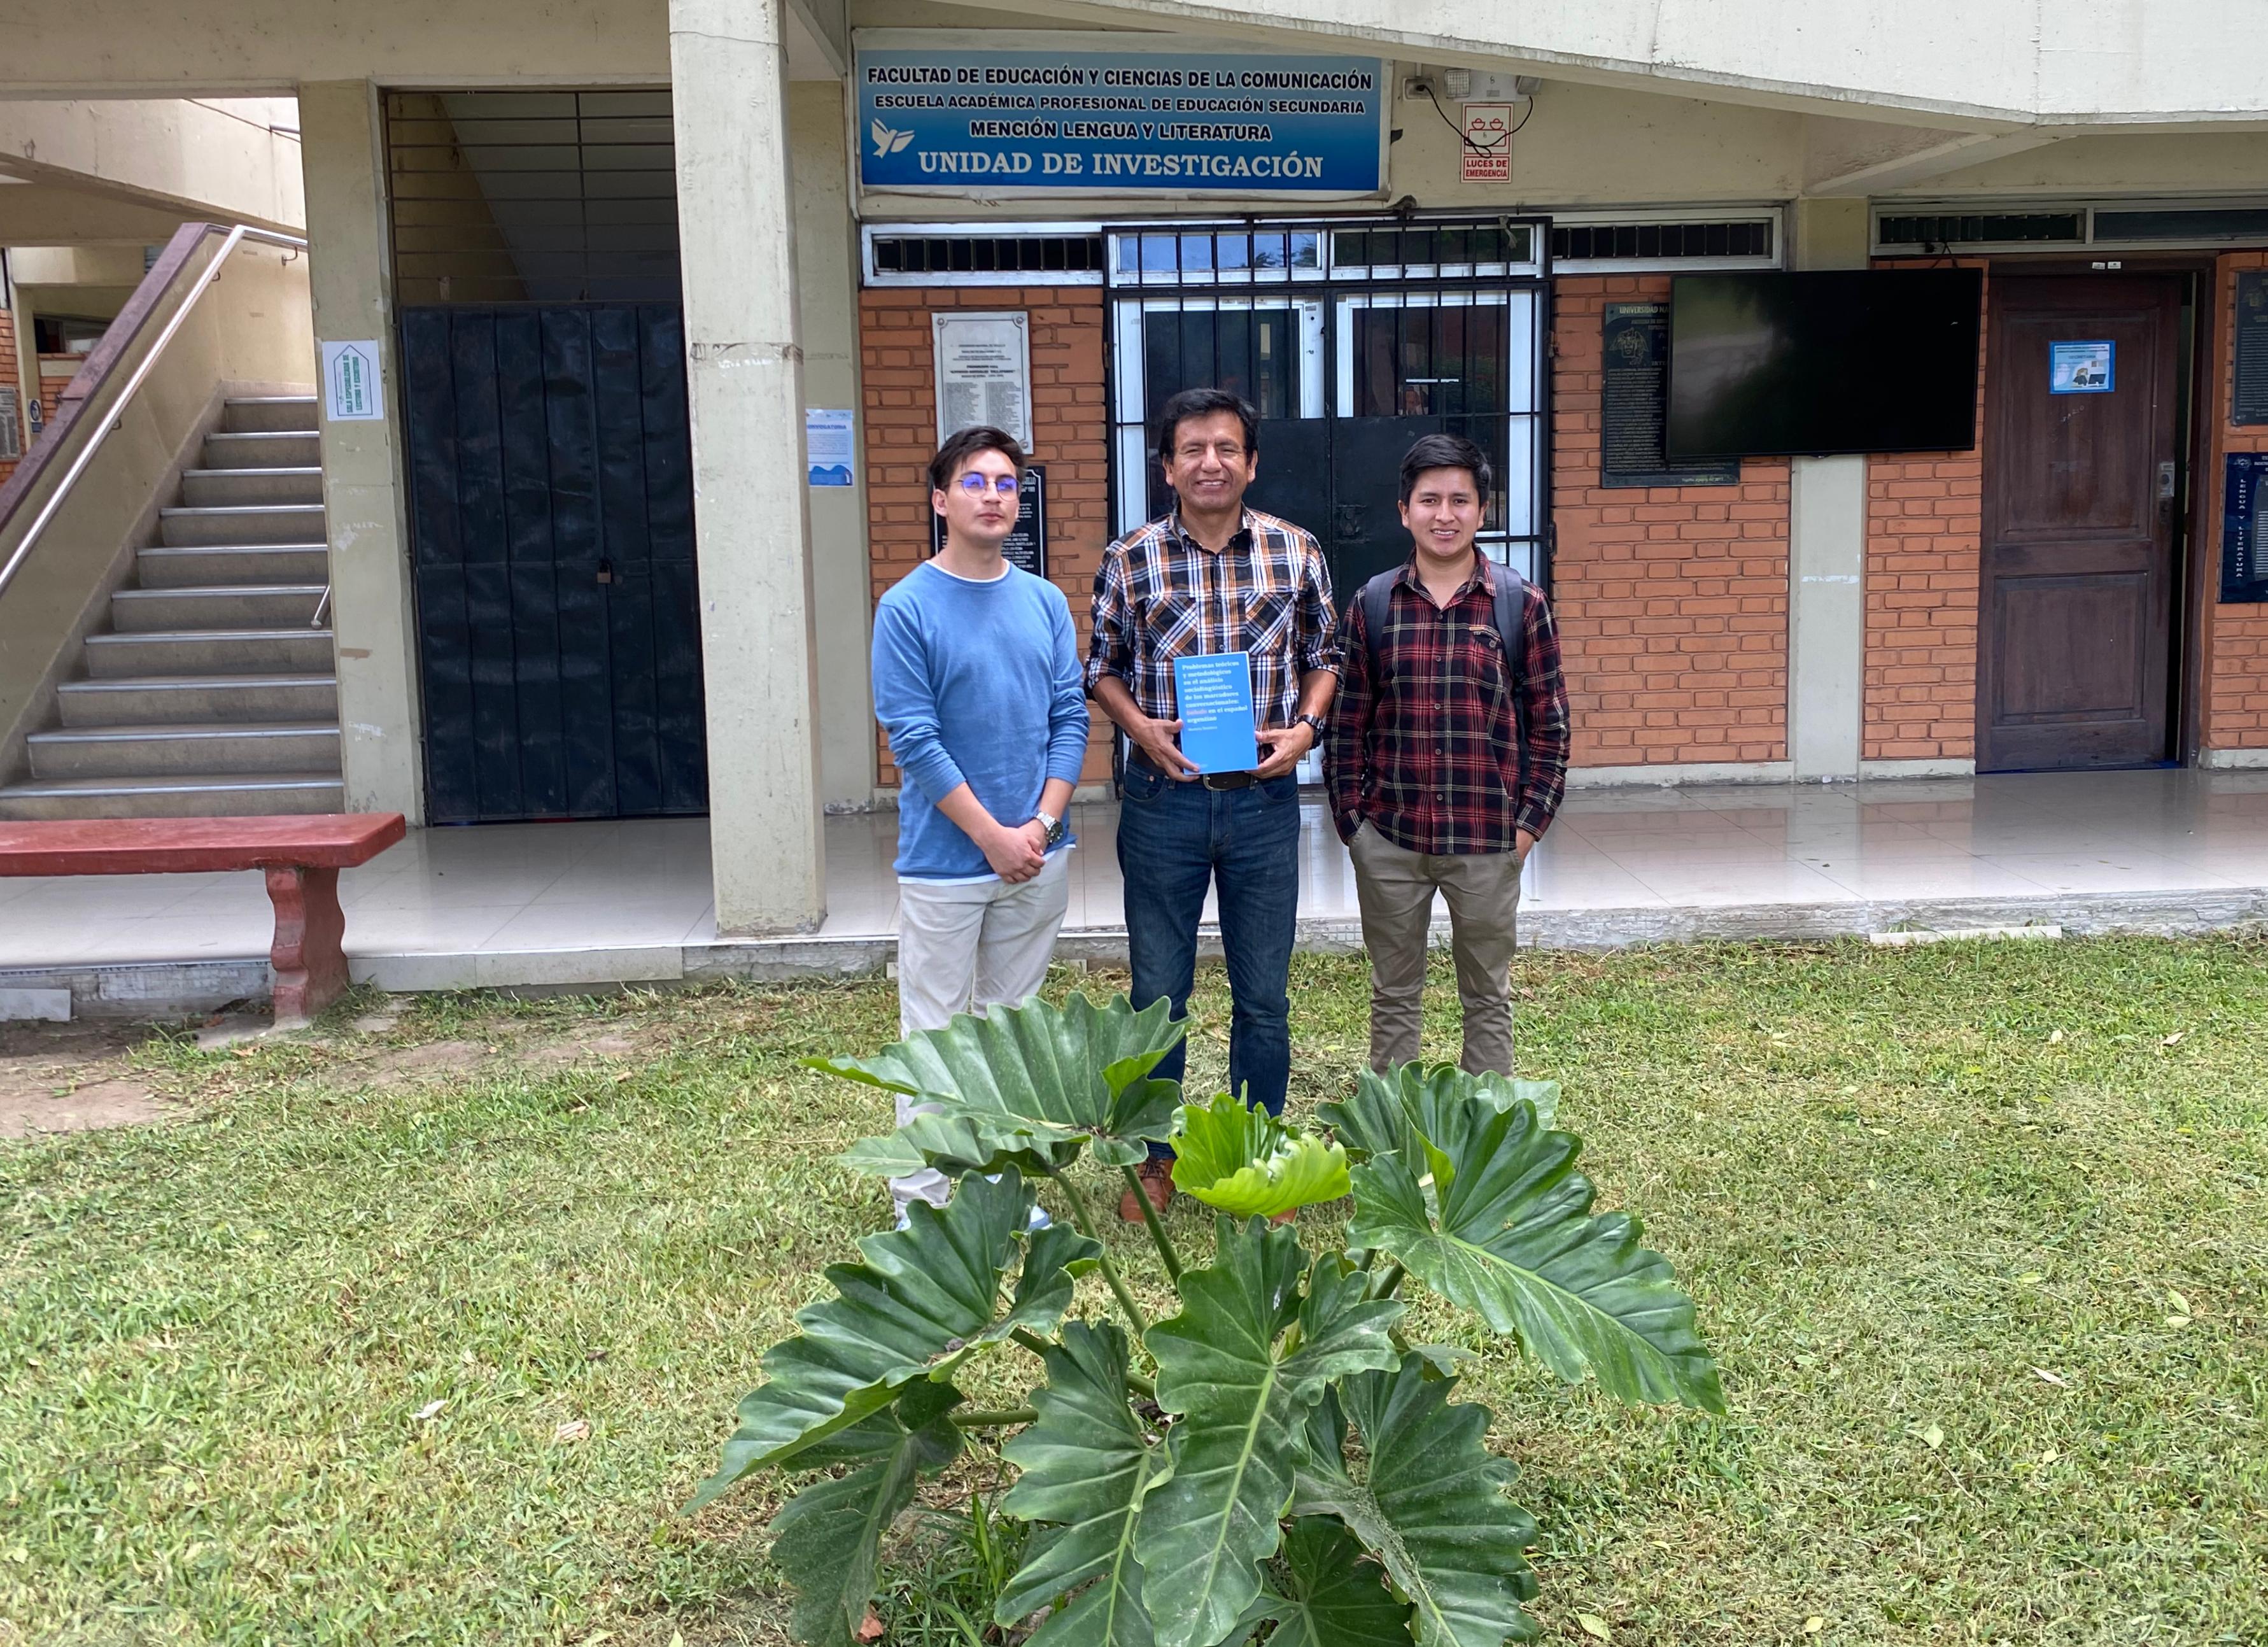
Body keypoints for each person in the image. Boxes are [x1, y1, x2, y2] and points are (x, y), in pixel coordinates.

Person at [1087, 388, 1338, 1221]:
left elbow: (1325, 653)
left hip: (1263, 802)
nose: (1209, 462)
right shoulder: (1129, 559)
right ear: (1166, 465)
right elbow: (1100, 667)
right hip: (1163, 801)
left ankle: (1256, 1157)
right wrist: (1139, 732)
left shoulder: (1295, 551)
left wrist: (1304, 729)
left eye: (1225, 448)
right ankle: (1155, 1162)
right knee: (1158, 995)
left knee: (1262, 996)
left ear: (1251, 462)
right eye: (1191, 448)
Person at [871, 426, 1088, 1222]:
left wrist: (1039, 823)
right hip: (944, 863)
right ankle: (923, 1200)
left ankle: (998, 1192)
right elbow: (913, 739)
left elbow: (1069, 717)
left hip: (1037, 855)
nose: (994, 495)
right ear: (940, 500)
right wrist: (991, 836)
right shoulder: (905, 608)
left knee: (1009, 1037)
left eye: (1006, 482)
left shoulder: (1042, 600)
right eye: (975, 482)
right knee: (934, 1034)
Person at [1324, 432, 1571, 1077]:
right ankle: (1394, 1141)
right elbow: (1347, 722)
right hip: (1391, 840)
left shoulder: (1520, 604)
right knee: (1393, 996)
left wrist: (1525, 830)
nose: (1444, 514)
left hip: (1488, 842)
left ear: (1482, 511)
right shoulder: (1372, 604)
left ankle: (1483, 1147)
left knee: (1487, 997)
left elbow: (1549, 725)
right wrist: (1354, 825)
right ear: (1402, 510)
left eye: (1459, 500)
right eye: (1428, 499)